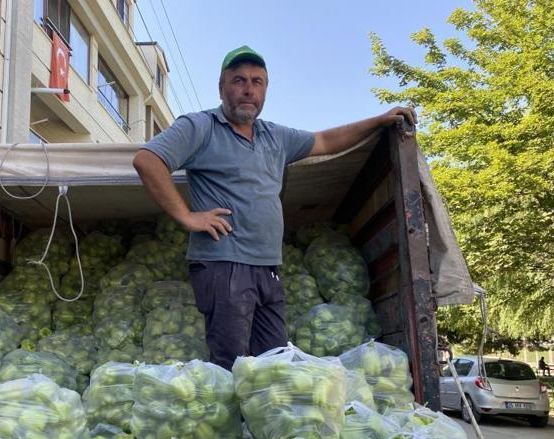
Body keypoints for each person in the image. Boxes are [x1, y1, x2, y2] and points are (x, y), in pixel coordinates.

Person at [133, 45, 416, 370]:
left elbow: (324, 141)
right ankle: (231, 422)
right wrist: (186, 216)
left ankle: (262, 421)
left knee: (274, 363)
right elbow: (147, 160)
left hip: (268, 267)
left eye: (257, 81)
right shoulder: (201, 127)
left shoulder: (274, 136)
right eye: (238, 80)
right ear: (221, 87)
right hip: (224, 266)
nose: (248, 89)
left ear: (265, 90)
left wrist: (378, 121)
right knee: (232, 364)